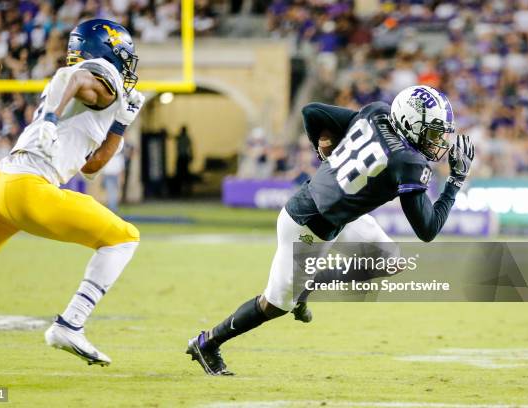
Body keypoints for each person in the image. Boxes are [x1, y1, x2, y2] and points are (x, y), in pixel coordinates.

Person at [186, 85, 475, 375]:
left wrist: (323, 151)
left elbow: (312, 111)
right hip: (307, 227)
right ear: (411, 123)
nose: (438, 141)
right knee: (274, 304)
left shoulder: (377, 113)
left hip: (336, 213)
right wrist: (456, 181)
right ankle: (208, 342)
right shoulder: (409, 162)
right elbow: (427, 230)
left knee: (391, 261)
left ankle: (309, 285)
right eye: (434, 132)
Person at [0, 19, 144, 367]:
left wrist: (121, 123)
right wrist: (49, 119)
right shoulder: (96, 72)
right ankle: (70, 324)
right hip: (26, 188)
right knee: (124, 238)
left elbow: (92, 167)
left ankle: (70, 326)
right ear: (109, 52)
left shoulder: (98, 95)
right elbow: (70, 77)